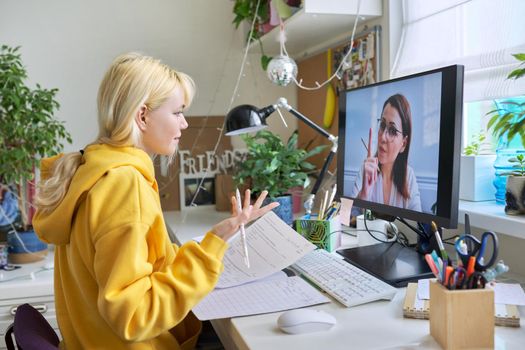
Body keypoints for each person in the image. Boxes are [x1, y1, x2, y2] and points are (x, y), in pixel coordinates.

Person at [33, 52, 278, 349]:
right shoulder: (124, 185)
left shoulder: (92, 170)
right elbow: (134, 315)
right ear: (143, 116)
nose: (185, 124)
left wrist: (215, 241)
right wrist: (208, 252)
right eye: (177, 112)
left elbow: (146, 260)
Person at [351, 93, 421, 211]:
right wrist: (363, 194)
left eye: (393, 131)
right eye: (382, 125)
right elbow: (344, 217)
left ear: (403, 143)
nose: (383, 137)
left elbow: (419, 225)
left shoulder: (408, 176)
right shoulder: (366, 170)